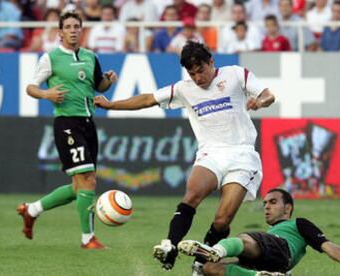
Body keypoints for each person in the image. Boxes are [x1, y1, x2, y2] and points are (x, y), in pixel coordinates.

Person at [94, 41, 275, 274]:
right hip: (211, 153)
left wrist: (259, 102)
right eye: (192, 73)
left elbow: (268, 95)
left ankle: (201, 263)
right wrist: (111, 105)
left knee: (222, 220)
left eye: (201, 70)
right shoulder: (184, 89)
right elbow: (147, 99)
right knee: (192, 195)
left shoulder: (235, 74)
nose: (198, 78)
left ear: (211, 62)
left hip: (242, 155)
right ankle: (170, 246)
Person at [17, 11, 118, 249]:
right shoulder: (51, 58)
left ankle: (31, 210)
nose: (73, 30)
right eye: (68, 27)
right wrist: (46, 94)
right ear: (60, 32)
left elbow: (97, 84)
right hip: (67, 125)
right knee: (88, 180)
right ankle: (88, 239)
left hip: (87, 123)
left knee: (78, 187)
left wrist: (108, 81)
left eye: (76, 26)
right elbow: (31, 87)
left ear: (81, 30)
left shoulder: (90, 56)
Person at [178, 188, 340, 276]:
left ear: (287, 208)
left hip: (279, 250)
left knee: (245, 239)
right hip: (269, 264)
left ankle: (217, 249)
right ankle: (258, 275)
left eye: (273, 202)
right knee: (211, 269)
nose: (266, 207)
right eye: (265, 203)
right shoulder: (269, 233)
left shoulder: (298, 224)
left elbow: (327, 246)